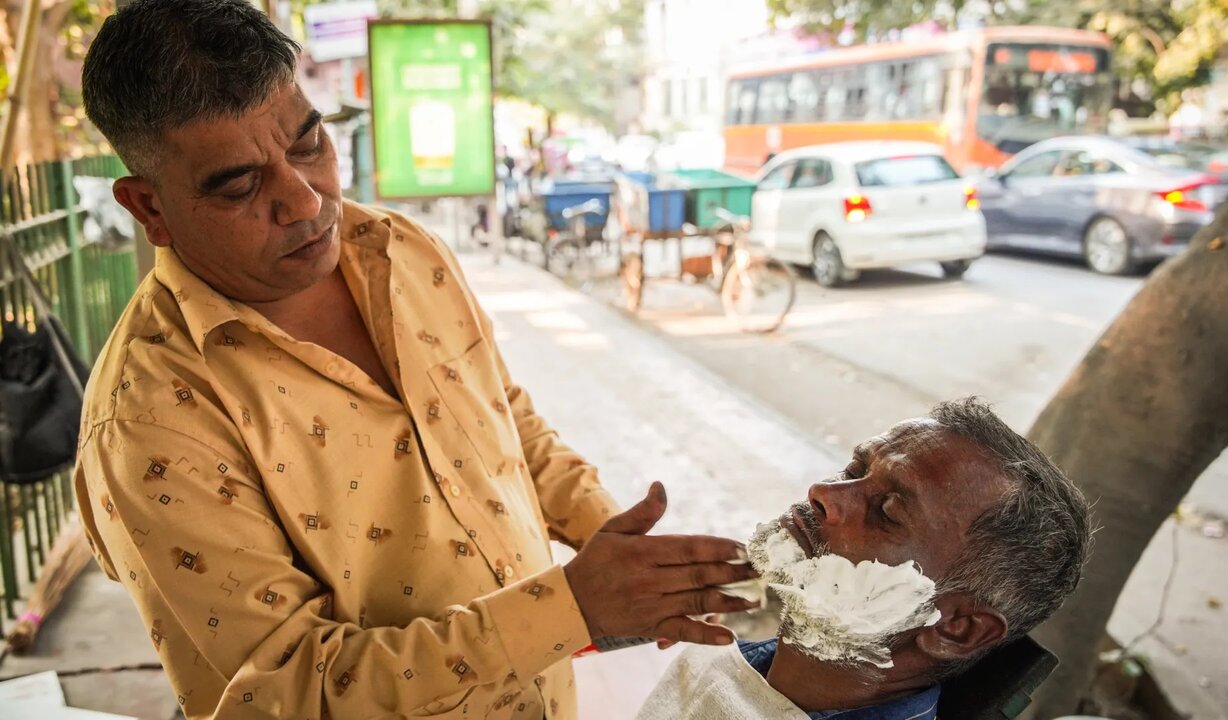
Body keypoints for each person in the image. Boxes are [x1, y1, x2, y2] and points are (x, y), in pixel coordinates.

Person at [74, 1, 758, 717]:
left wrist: (627, 553)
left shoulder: (401, 250)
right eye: (242, 186)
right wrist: (571, 608)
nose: (305, 202)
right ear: (148, 207)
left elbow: (504, 424)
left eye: (310, 145)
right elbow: (292, 690)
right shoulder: (150, 423)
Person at [639, 398, 1091, 720]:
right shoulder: (775, 629)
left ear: (955, 627)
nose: (823, 493)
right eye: (855, 470)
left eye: (888, 512)